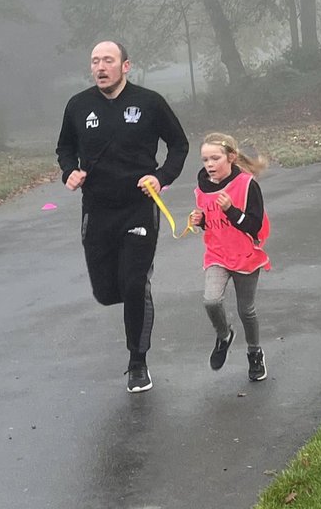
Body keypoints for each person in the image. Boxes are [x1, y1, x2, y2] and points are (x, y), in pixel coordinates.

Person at [55, 40, 189, 393]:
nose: (100, 67)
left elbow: (179, 144)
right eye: (95, 60)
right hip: (98, 209)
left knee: (134, 283)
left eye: (108, 60)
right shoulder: (78, 105)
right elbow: (64, 147)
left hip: (139, 207)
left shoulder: (149, 102)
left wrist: (161, 178)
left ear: (125, 66)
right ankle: (127, 296)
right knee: (105, 291)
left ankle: (137, 361)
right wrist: (69, 171)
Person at [188, 133, 270, 383]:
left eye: (215, 158)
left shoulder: (246, 185)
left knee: (246, 311)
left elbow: (255, 226)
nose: (209, 164)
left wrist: (231, 211)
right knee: (211, 301)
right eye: (205, 159)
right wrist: (200, 221)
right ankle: (224, 335)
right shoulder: (202, 185)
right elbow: (210, 220)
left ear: (231, 157)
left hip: (245, 255)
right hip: (217, 254)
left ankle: (255, 354)